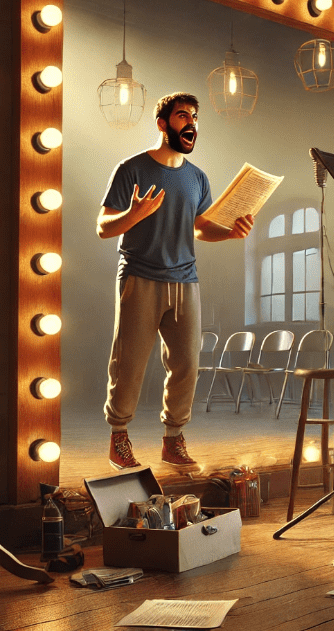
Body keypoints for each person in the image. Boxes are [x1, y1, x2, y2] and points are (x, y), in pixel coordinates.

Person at [98, 92, 253, 473]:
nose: (192, 122)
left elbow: (200, 229)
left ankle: (173, 440)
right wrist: (133, 215)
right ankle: (119, 436)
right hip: (140, 276)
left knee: (186, 364)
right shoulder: (131, 168)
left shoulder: (197, 177)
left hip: (186, 281)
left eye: (195, 116)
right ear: (162, 124)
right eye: (183, 115)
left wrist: (230, 234)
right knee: (130, 362)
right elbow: (103, 227)